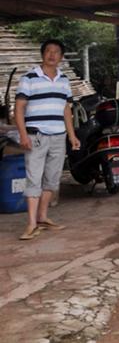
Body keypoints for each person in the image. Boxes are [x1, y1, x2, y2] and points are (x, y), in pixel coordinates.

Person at [14, 39, 80, 240]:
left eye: (56, 52)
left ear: (61, 57)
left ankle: (42, 217)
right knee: (34, 178)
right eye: (48, 51)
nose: (52, 55)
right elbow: (18, 108)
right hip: (36, 136)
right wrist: (23, 134)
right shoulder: (29, 78)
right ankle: (31, 224)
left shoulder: (64, 80)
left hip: (59, 136)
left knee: (52, 179)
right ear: (42, 54)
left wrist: (72, 135)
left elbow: (66, 110)